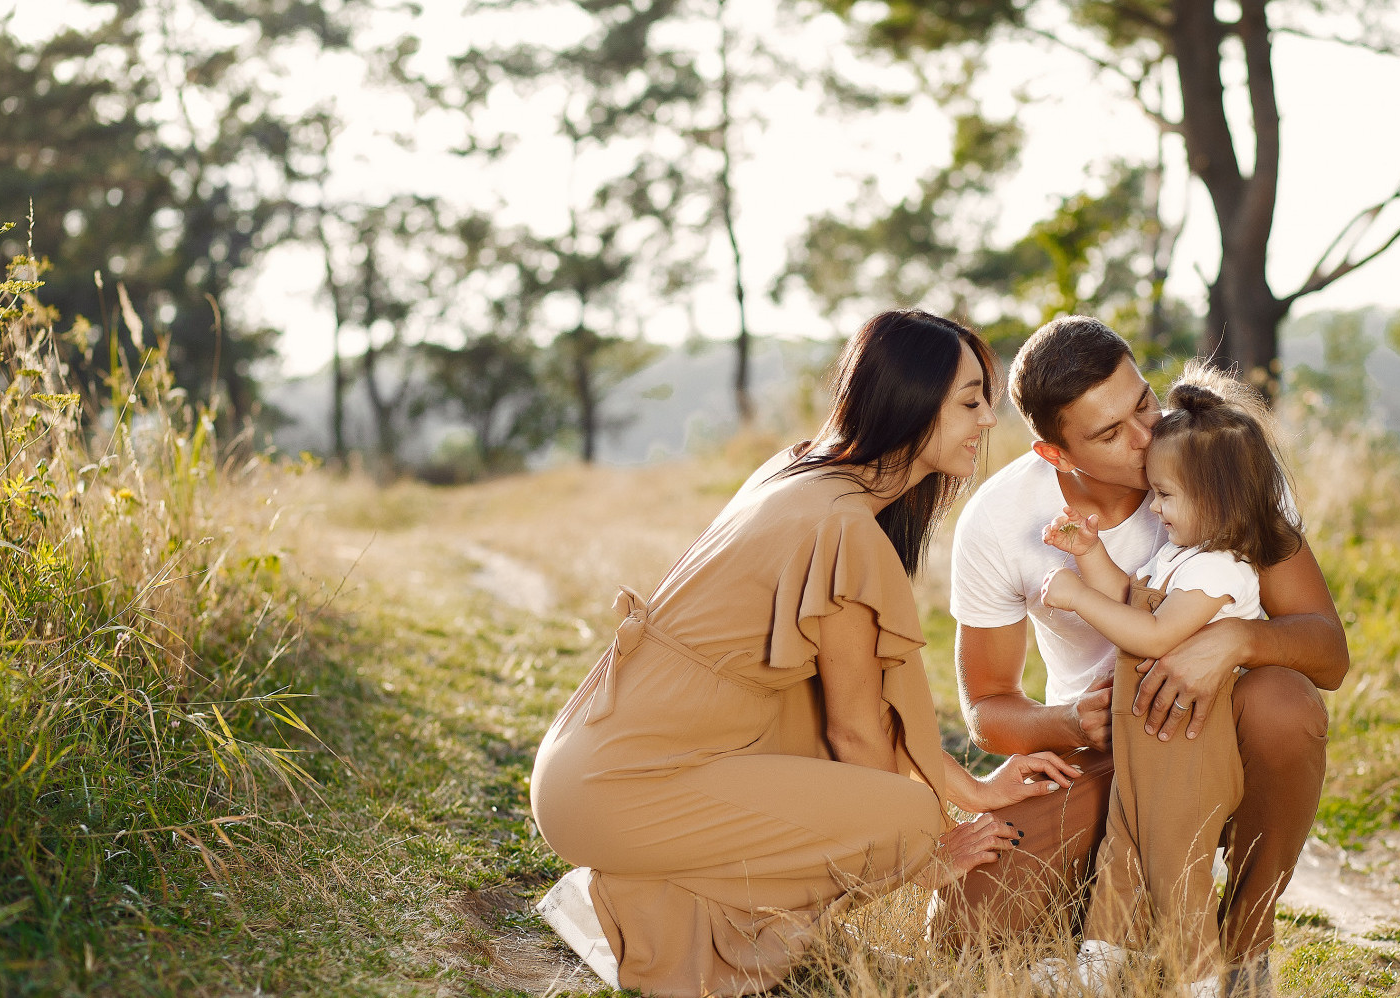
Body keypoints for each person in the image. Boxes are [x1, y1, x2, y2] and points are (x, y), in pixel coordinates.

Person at [528, 310, 1081, 998]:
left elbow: (859, 713)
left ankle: (715, 922)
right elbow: (858, 736)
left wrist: (971, 790)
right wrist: (924, 848)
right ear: (910, 402)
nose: (987, 421)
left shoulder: (799, 470)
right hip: (620, 787)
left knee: (810, 728)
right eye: (970, 402)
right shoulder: (842, 528)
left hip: (591, 763)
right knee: (900, 818)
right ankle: (628, 911)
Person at [942, 316, 1348, 997]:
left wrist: (1239, 641)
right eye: (1110, 433)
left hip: (1223, 731)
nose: (1145, 437)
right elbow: (987, 709)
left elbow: (1328, 653)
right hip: (1105, 749)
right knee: (965, 924)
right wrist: (1073, 723)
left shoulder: (1219, 465)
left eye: (1143, 403)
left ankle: (1245, 946)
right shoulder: (1002, 518)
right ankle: (1104, 916)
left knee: (1285, 705)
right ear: (1057, 455)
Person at [1034, 364, 1305, 995]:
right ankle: (1100, 971)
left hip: (1188, 744)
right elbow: (1130, 605)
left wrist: (1074, 596)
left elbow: (1151, 637)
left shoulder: (1223, 571)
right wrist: (1087, 554)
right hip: (1148, 743)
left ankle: (1202, 979)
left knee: (1172, 864)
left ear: (1216, 501)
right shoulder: (1179, 555)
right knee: (1122, 854)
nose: (1152, 506)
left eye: (1165, 495)